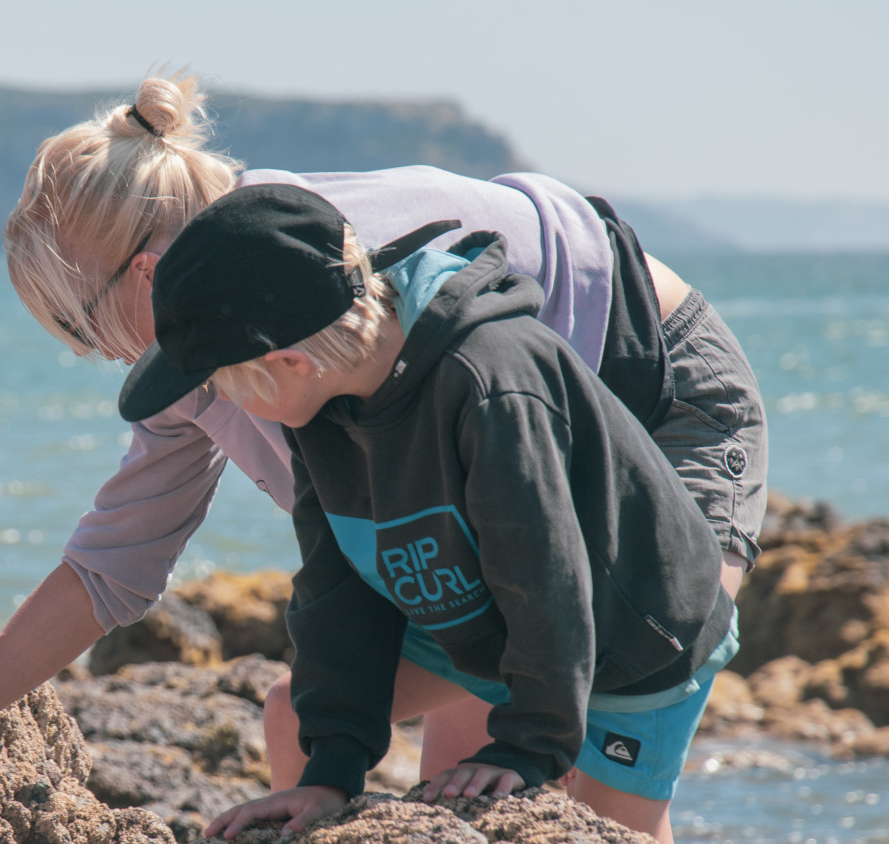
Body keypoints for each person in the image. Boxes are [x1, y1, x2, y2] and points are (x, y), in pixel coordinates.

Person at [0, 74, 767, 835]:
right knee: (327, 722)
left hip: (647, 389)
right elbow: (115, 565)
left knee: (590, 773)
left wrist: (537, 735)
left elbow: (535, 540)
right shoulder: (220, 345)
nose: (107, 358)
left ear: (148, 277)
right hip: (493, 506)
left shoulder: (333, 290)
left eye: (87, 329)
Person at [114, 183, 739, 841]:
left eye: (222, 387)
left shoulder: (491, 383)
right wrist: (332, 766)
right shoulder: (322, 406)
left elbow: (545, 576)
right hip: (488, 618)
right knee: (297, 718)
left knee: (611, 832)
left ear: (289, 361)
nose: (226, 405)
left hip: (637, 638)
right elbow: (336, 589)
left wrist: (528, 747)